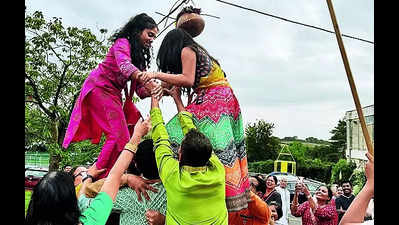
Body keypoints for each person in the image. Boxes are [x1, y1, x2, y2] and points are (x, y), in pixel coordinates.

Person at [141, 27, 251, 223]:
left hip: (215, 99)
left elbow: (187, 79)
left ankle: (161, 166)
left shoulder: (187, 50)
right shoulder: (217, 170)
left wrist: (155, 76)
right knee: (198, 137)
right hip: (222, 99)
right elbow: (191, 131)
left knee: (171, 131)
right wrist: (166, 93)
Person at [62, 13, 161, 179]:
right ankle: (95, 176)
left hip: (113, 93)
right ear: (137, 31)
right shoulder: (122, 43)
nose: (152, 40)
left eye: (154, 37)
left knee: (123, 139)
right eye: (150, 34)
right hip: (99, 87)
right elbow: (125, 67)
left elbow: (141, 92)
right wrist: (146, 79)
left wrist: (164, 87)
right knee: (118, 136)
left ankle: (108, 175)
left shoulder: (139, 59)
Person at [25, 117, 152, 225]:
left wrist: (88, 177)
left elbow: (82, 197)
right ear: (71, 202)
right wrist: (137, 136)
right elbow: (115, 175)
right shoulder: (91, 219)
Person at [149, 86, 228, 224]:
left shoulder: (172, 175)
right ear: (208, 155)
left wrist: (154, 96)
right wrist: (178, 100)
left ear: (179, 156)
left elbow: (160, 138)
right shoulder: (218, 170)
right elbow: (193, 135)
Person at [78, 139, 167, 225]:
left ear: (136, 164)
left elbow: (82, 204)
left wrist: (88, 177)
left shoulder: (124, 194)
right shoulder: (174, 189)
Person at [339, 153, 374, 225]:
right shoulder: (338, 199)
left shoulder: (354, 197)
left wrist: (371, 182)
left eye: (347, 186)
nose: (346, 188)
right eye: (344, 186)